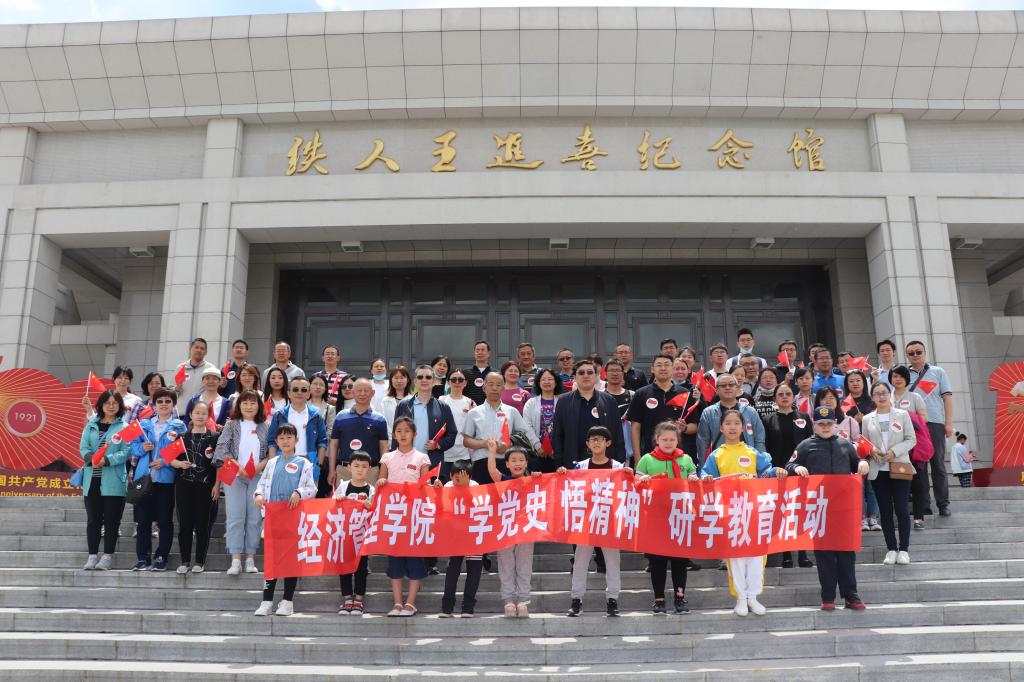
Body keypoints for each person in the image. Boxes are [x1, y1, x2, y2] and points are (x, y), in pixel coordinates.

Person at [701, 409, 787, 617]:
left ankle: (753, 596)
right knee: (736, 556)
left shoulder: (752, 452)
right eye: (728, 423)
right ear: (721, 428)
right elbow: (705, 475)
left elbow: (766, 472)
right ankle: (740, 597)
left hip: (754, 510)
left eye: (736, 423)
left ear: (743, 427)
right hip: (731, 512)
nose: (732, 427)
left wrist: (777, 471)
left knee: (757, 554)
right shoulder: (716, 455)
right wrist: (705, 478)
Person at [787, 406, 869, 611]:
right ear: (814, 425)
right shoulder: (806, 445)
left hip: (844, 508)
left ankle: (851, 595)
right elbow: (789, 465)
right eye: (821, 424)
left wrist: (862, 463)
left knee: (847, 553)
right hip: (819, 509)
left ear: (835, 425)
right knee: (824, 555)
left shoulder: (845, 445)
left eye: (829, 424)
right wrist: (797, 467)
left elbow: (856, 462)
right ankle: (828, 596)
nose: (825, 427)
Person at [559, 426, 629, 618]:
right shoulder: (580, 466)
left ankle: (612, 599)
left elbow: (626, 491)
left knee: (613, 561)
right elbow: (570, 488)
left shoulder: (618, 467)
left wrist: (632, 475)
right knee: (580, 561)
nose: (596, 442)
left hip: (609, 520)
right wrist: (563, 473)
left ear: (608, 443)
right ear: (587, 444)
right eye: (592, 439)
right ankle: (576, 600)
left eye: (600, 439)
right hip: (585, 522)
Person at [253, 423, 316, 617]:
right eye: (281, 438)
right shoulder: (272, 462)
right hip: (273, 517)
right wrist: (258, 494)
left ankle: (287, 601)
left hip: (293, 518)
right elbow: (261, 484)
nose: (285, 441)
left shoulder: (304, 463)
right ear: (276, 441)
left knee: (290, 560)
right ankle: (266, 601)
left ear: (297, 440)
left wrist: (299, 492)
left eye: (289, 437)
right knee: (271, 560)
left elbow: (311, 488)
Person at [635, 421, 696, 614]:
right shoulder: (646, 459)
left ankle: (680, 598)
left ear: (678, 440)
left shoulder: (686, 459)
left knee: (680, 562)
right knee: (658, 562)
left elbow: (695, 483)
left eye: (672, 439)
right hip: (656, 519)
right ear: (657, 440)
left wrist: (694, 479)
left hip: (680, 517)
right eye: (664, 439)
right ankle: (659, 599)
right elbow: (635, 484)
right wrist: (641, 480)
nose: (668, 443)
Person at [377, 417, 431, 617]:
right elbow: (381, 481)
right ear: (393, 435)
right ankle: (397, 603)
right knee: (395, 562)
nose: (403, 434)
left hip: (414, 517)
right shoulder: (387, 457)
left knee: (415, 561)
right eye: (399, 431)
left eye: (407, 431)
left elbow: (426, 484)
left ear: (414, 434)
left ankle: (410, 603)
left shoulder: (422, 457)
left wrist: (427, 486)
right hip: (394, 517)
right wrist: (382, 482)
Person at [213, 390, 269, 576]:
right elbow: (222, 449)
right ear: (239, 405)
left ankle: (250, 558)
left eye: (253, 403)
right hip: (233, 474)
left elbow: (271, 452)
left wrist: (259, 467)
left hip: (257, 476)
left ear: (259, 406)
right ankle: (235, 560)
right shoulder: (231, 425)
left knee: (254, 518)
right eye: (245, 403)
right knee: (235, 517)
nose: (249, 406)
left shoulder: (266, 426)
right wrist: (238, 466)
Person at [862, 382, 916, 566]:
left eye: (884, 392)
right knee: (885, 511)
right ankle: (891, 549)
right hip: (878, 470)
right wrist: (872, 451)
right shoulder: (867, 419)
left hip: (899, 466)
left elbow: (911, 439)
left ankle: (904, 549)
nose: (881, 396)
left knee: (901, 509)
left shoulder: (902, 414)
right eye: (877, 393)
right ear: (872, 397)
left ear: (889, 394)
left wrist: (894, 452)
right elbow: (865, 443)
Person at [130, 387, 185, 572]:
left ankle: (161, 557)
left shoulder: (179, 426)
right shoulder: (143, 424)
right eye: (159, 401)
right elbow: (131, 447)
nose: (163, 404)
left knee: (164, 520)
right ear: (153, 405)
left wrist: (165, 461)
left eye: (168, 401)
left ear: (173, 405)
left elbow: (182, 451)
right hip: (144, 478)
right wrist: (142, 448)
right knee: (143, 521)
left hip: (166, 479)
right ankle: (142, 558)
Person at [486, 441, 542, 617]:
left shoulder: (533, 480)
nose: (517, 463)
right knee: (506, 564)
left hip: (526, 529)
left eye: (521, 460)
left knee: (524, 565)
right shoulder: (503, 479)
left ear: (526, 463)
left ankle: (523, 600)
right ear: (507, 464)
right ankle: (508, 601)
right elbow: (492, 471)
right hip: (505, 529)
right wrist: (492, 451)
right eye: (513, 460)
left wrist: (538, 477)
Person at [761, 382, 814, 568]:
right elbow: (764, 447)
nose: (784, 397)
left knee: (800, 513)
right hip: (778, 473)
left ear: (793, 397)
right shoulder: (768, 420)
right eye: (781, 394)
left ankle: (803, 554)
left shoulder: (803, 418)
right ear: (775, 398)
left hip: (801, 472)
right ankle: (786, 554)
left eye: (788, 394)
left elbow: (810, 444)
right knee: (782, 513)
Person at [79, 390, 131, 571]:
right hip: (92, 480)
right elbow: (83, 447)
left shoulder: (125, 427)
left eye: (115, 403)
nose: (111, 406)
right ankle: (92, 555)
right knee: (93, 520)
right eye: (107, 403)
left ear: (120, 406)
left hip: (114, 481)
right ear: (100, 405)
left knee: (111, 520)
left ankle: (107, 556)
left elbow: (126, 451)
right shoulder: (91, 425)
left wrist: (107, 460)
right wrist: (91, 458)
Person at [461, 372, 541, 485]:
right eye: (491, 384)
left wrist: (508, 443)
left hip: (508, 464)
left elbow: (523, 435)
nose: (494, 388)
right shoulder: (474, 413)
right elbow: (466, 441)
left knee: (508, 495)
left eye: (498, 385)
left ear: (503, 389)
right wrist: (485, 444)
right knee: (484, 496)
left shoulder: (512, 411)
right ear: (484, 388)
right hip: (482, 463)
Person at [906, 340, 954, 521]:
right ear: (907, 356)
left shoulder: (938, 372)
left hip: (935, 423)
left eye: (918, 352)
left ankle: (943, 504)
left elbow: (947, 398)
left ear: (925, 353)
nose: (915, 355)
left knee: (938, 464)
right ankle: (923, 505)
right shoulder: (904, 374)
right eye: (911, 353)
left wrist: (948, 423)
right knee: (919, 466)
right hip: (913, 425)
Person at [172, 401, 219, 574]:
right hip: (184, 484)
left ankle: (200, 561)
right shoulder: (182, 437)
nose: (200, 416)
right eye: (197, 413)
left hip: (206, 486)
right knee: (184, 524)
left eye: (203, 413)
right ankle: (185, 561)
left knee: (202, 524)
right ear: (190, 415)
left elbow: (219, 464)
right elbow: (169, 458)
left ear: (208, 416)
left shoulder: (214, 437)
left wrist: (217, 485)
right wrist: (179, 464)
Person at [551, 359, 625, 469]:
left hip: (604, 463)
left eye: (590, 372)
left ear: (596, 376)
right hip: (572, 461)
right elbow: (558, 434)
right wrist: (559, 463)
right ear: (575, 377)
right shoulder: (563, 401)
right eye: (581, 373)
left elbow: (618, 434)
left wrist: (620, 462)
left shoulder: (609, 400)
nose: (586, 376)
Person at [267, 377, 329, 497]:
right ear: (289, 393)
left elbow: (322, 442)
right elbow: (272, 441)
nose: (299, 392)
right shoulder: (279, 415)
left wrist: (318, 465)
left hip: (308, 463)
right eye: (295, 389)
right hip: (283, 460)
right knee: (282, 500)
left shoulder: (316, 416)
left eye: (303, 389)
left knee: (307, 503)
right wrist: (273, 464)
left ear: (309, 394)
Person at [393, 365, 458, 476]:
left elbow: (452, 434)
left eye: (428, 377)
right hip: (406, 462)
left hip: (432, 463)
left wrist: (438, 444)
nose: (424, 380)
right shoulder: (403, 405)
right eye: (420, 377)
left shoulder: (443, 407)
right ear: (415, 381)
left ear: (434, 381)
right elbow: (395, 435)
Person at [437, 459, 482, 618]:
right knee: (452, 571)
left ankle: (468, 607)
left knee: (474, 572)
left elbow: (478, 507)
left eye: (464, 478)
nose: (459, 481)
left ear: (470, 477)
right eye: (457, 478)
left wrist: (465, 488)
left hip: (474, 536)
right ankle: (447, 607)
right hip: (455, 537)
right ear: (450, 476)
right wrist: (438, 492)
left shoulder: (475, 486)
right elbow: (443, 508)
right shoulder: (448, 487)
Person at [327, 378, 390, 486]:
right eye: (359, 390)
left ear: (372, 393)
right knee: (342, 497)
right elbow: (333, 445)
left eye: (366, 391)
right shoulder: (341, 416)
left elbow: (384, 448)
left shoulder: (380, 419)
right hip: (344, 471)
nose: (362, 394)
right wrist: (331, 470)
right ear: (353, 392)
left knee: (370, 498)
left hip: (371, 472)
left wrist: (383, 473)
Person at [628, 354, 687, 467]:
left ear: (672, 368)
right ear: (652, 369)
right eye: (659, 365)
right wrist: (637, 458)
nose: (663, 368)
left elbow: (694, 425)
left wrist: (685, 428)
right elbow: (635, 427)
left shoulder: (684, 393)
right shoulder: (641, 393)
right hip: (649, 457)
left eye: (667, 365)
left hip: (679, 458)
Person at [334, 451, 374, 616]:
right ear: (349, 467)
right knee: (344, 567)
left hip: (362, 537)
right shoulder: (343, 487)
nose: (360, 469)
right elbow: (332, 507)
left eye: (364, 466)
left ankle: (358, 599)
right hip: (344, 536)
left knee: (361, 569)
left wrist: (370, 507)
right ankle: (347, 599)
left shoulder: (371, 490)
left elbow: (376, 513)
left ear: (369, 469)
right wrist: (337, 500)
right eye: (356, 466)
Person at [696, 374, 766, 466]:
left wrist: (760, 464)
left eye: (731, 385)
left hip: (748, 463)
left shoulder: (750, 411)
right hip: (721, 464)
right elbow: (703, 442)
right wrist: (703, 468)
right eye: (723, 385)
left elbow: (759, 439)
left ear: (737, 388)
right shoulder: (708, 413)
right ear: (717, 390)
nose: (727, 387)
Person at [522, 368, 564, 474]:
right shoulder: (531, 403)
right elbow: (526, 426)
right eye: (543, 379)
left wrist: (556, 449)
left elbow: (566, 426)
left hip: (557, 454)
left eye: (550, 379)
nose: (546, 382)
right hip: (536, 453)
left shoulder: (563, 401)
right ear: (538, 383)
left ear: (556, 382)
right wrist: (537, 446)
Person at [438, 369, 476, 480]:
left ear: (465, 383)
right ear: (448, 382)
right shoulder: (441, 400)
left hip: (464, 454)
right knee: (444, 486)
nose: (457, 382)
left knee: (463, 486)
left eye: (460, 380)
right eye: (454, 380)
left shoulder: (470, 403)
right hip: (444, 452)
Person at [603, 359, 635, 461]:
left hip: (628, 448)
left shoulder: (633, 395)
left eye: (618, 370)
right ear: (605, 374)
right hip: (605, 447)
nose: (615, 374)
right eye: (611, 370)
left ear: (623, 374)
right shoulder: (599, 397)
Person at [183, 367, 231, 432]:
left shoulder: (226, 403)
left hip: (219, 438)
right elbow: (186, 422)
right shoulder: (193, 401)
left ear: (219, 381)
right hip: (196, 437)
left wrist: (223, 429)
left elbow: (229, 425)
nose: (211, 381)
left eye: (214, 378)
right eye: (207, 378)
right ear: (203, 381)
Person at [173, 338, 219, 405]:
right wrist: (177, 388)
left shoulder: (210, 368)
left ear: (206, 352)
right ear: (190, 349)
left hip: (202, 409)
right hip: (181, 410)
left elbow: (214, 391)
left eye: (202, 348)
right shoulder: (180, 368)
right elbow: (170, 392)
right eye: (196, 347)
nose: (199, 350)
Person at [381, 365, 412, 436]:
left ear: (407, 380)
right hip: (390, 438)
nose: (399, 381)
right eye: (396, 378)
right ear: (391, 380)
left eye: (402, 378)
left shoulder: (413, 400)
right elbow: (384, 422)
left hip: (409, 439)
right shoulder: (385, 401)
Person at [463, 340, 492, 407]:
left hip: (490, 409)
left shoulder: (495, 374)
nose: (480, 352)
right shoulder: (465, 373)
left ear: (488, 353)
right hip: (469, 409)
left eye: (482, 350)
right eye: (477, 350)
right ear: (474, 353)